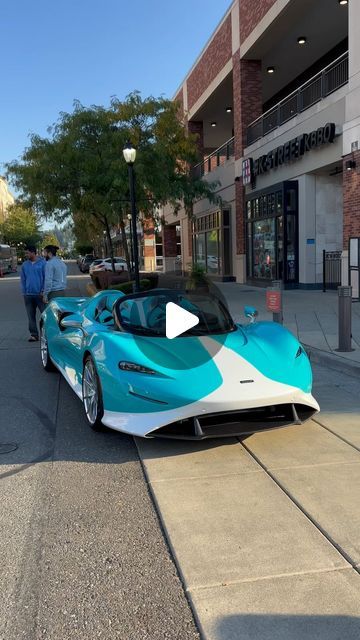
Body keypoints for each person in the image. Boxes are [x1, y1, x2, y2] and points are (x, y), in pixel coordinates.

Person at [20, 245, 46, 342]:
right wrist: (24, 292)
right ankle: (34, 335)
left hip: (40, 294)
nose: (26, 255)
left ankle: (46, 334)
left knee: (45, 315)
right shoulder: (24, 265)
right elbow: (23, 280)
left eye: (27, 253)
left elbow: (45, 278)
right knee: (30, 316)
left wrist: (43, 290)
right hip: (28, 295)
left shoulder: (43, 263)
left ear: (33, 252)